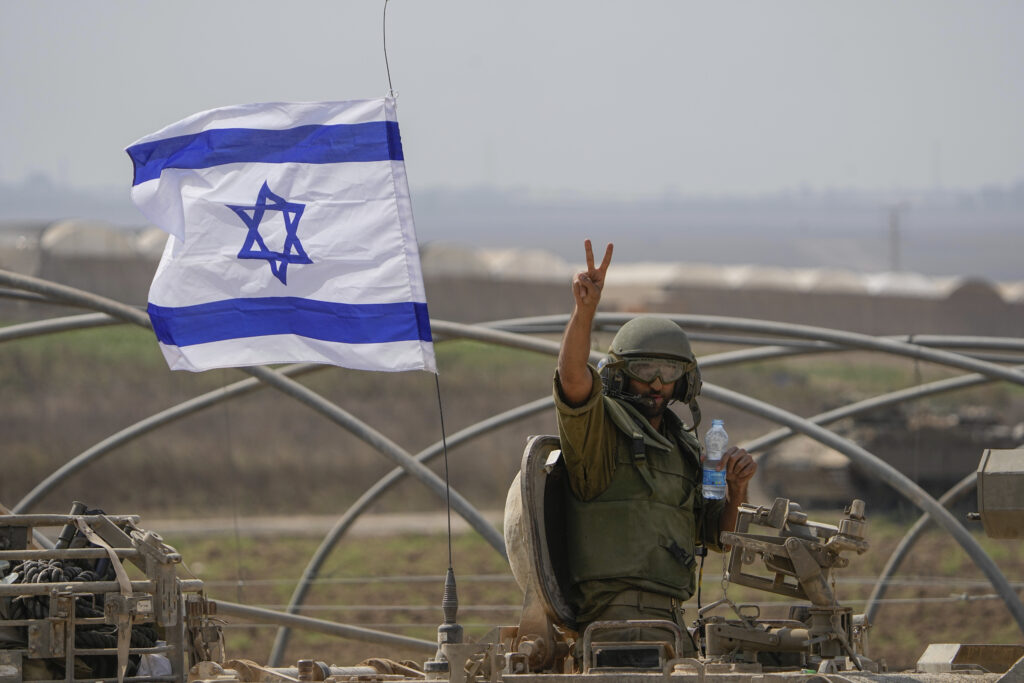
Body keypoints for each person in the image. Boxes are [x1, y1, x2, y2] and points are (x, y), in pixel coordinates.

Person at [554, 239, 756, 660]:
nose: (658, 384)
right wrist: (585, 311)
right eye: (646, 370)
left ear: (685, 381)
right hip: (614, 628)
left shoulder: (682, 447)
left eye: (670, 372)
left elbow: (717, 536)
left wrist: (737, 490)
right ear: (621, 375)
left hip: (671, 625)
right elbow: (573, 381)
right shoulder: (601, 433)